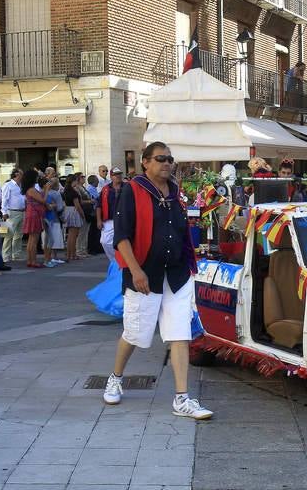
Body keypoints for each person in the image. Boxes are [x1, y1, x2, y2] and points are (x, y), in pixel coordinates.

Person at [103, 141, 212, 420]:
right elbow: (122, 236)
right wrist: (136, 270)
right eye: (161, 158)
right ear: (146, 162)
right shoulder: (132, 190)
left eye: (170, 159)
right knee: (135, 334)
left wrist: (191, 262)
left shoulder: (175, 193)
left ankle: (181, 399)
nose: (167, 163)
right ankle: (115, 377)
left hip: (175, 274)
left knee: (180, 335)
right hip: (145, 274)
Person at [21, 170, 51, 268]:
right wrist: (46, 190)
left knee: (31, 239)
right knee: (34, 239)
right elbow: (42, 200)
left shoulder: (30, 189)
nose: (38, 178)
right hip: (34, 214)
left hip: (32, 213)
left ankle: (30, 260)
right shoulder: (31, 189)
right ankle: (33, 261)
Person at [97, 167, 124, 263]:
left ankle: (123, 260)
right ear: (111, 176)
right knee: (104, 241)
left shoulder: (127, 187)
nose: (118, 176)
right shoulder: (106, 189)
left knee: (124, 241)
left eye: (120, 174)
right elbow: (99, 205)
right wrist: (99, 220)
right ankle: (114, 260)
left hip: (123, 219)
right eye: (116, 175)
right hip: (109, 219)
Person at [0, 168, 25, 263]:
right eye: (21, 174)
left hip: (21, 211)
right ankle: (5, 256)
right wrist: (4, 212)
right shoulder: (8, 185)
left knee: (19, 234)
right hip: (11, 212)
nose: (22, 176)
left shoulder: (21, 185)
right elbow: (4, 199)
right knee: (8, 235)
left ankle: (16, 254)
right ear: (16, 174)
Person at [42, 177, 65, 267]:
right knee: (52, 239)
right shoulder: (55, 193)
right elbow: (58, 207)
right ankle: (50, 258)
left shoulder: (42, 193)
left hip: (45, 218)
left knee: (46, 239)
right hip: (52, 218)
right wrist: (53, 205)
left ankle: (48, 258)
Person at [63, 176, 85, 262]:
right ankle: (73, 254)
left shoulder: (66, 190)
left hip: (68, 210)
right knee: (74, 235)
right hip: (74, 211)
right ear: (73, 181)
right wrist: (82, 214)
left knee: (70, 235)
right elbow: (77, 205)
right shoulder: (73, 192)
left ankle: (69, 254)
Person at [76, 173, 94, 258]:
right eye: (82, 177)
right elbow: (80, 201)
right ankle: (79, 250)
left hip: (87, 211)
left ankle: (83, 249)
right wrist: (90, 201)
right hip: (83, 210)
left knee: (85, 231)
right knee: (81, 232)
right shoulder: (77, 188)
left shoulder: (83, 188)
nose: (84, 178)